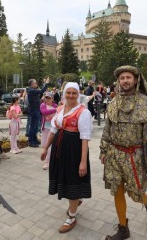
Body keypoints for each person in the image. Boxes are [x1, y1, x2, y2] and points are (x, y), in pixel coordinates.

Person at [100, 66, 147, 239]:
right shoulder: (113, 103)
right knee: (117, 190)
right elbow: (107, 130)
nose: (125, 80)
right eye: (121, 78)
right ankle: (123, 228)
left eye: (128, 77)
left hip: (135, 157)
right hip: (114, 155)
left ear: (135, 80)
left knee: (136, 195)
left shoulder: (146, 104)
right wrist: (103, 149)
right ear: (118, 81)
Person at [40, 82, 92, 233]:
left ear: (78, 94)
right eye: (68, 92)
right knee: (65, 178)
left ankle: (72, 217)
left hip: (74, 150)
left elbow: (85, 138)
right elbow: (54, 129)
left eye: (74, 93)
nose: (70, 95)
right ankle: (76, 200)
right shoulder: (60, 108)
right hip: (60, 148)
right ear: (63, 94)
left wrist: (83, 162)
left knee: (72, 179)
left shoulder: (83, 112)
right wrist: (46, 148)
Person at [27, 78, 50, 147]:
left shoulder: (33, 90)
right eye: (36, 83)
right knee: (33, 126)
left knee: (36, 126)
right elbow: (41, 91)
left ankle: (35, 139)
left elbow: (38, 96)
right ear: (32, 84)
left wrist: (40, 100)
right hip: (33, 110)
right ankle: (31, 141)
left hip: (37, 109)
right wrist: (46, 83)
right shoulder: (31, 90)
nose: (36, 84)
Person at [40, 92, 58, 170]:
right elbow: (44, 112)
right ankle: (51, 158)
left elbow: (58, 113)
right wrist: (55, 110)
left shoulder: (55, 105)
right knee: (44, 145)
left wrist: (55, 109)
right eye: (46, 98)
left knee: (49, 145)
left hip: (52, 129)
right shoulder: (43, 105)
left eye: (49, 98)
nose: (47, 99)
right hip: (45, 128)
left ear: (52, 99)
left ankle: (47, 162)